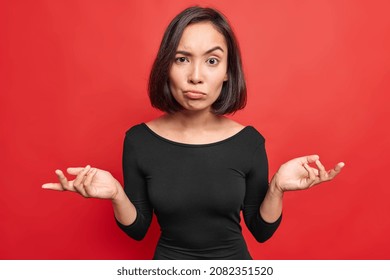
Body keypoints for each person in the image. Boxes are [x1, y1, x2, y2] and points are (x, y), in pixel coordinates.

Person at [42, 6, 344, 259]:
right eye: (182, 59)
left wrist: (276, 187)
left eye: (212, 61)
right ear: (166, 66)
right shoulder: (138, 141)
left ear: (227, 72)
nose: (196, 76)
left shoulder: (250, 142)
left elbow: (261, 231)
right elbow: (137, 230)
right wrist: (117, 194)